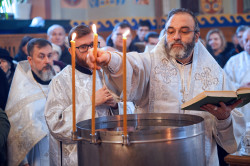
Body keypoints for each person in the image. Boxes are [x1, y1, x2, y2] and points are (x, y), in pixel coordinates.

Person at [86, 8, 245, 166]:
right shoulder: (150, 63)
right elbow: (132, 64)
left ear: (196, 36)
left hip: (199, 158)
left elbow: (232, 139)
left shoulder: (215, 74)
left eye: (184, 31)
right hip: (154, 156)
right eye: (170, 31)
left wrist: (224, 118)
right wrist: (108, 59)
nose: (176, 37)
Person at [45, 25, 124, 166]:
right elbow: (55, 125)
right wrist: (91, 102)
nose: (90, 51)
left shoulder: (108, 73)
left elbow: (131, 109)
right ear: (71, 51)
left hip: (109, 153)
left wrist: (116, 105)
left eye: (93, 45)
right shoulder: (61, 81)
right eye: (83, 47)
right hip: (78, 156)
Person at [5, 38, 55, 166]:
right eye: (41, 56)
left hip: (59, 152)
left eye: (50, 56)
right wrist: (23, 162)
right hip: (36, 157)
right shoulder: (21, 90)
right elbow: (15, 130)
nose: (47, 61)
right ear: (30, 60)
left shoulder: (58, 82)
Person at [224, 28, 250, 122]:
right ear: (242, 42)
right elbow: (224, 82)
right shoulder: (233, 61)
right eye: (246, 40)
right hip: (241, 108)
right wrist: (240, 87)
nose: (249, 43)